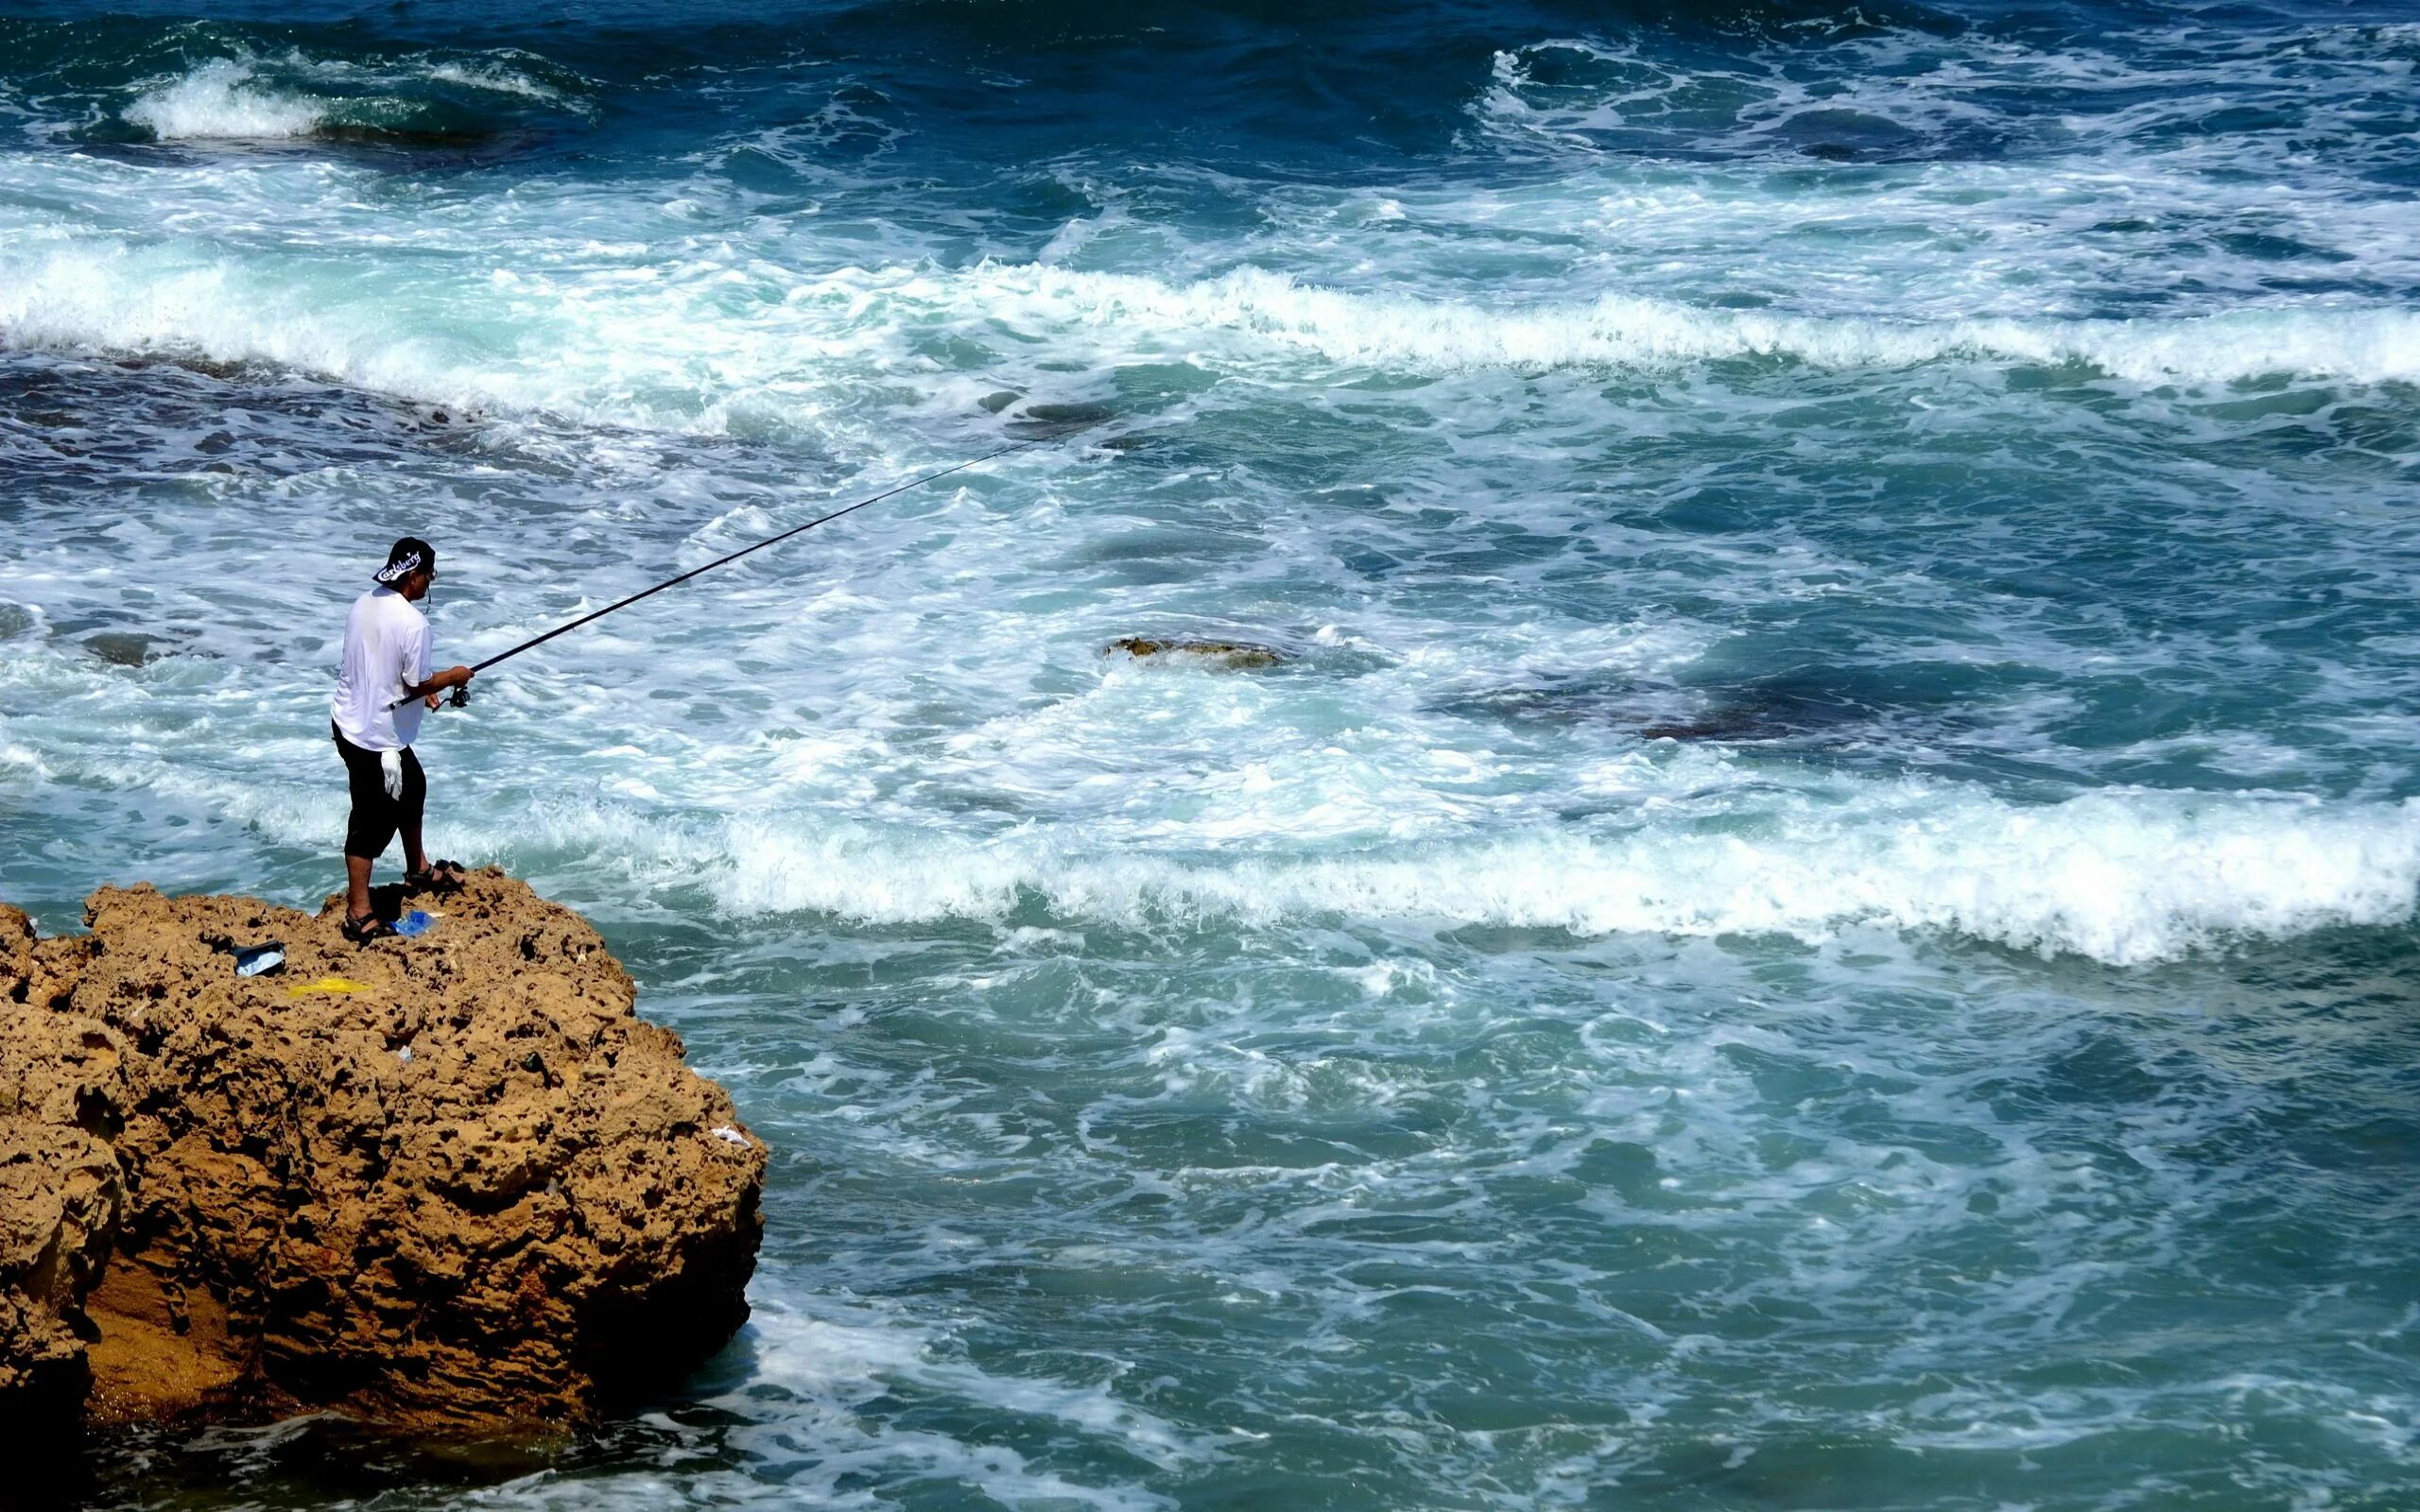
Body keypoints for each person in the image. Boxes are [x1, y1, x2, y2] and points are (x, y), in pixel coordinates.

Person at [329, 537, 475, 942]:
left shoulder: (364, 603)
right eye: (429, 575)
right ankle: (359, 914)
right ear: (413, 576)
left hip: (348, 721)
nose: (430, 582)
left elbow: (380, 663)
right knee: (370, 821)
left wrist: (419, 689)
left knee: (413, 784)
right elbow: (417, 681)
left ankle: (418, 869)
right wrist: (453, 676)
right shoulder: (414, 623)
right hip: (372, 738)